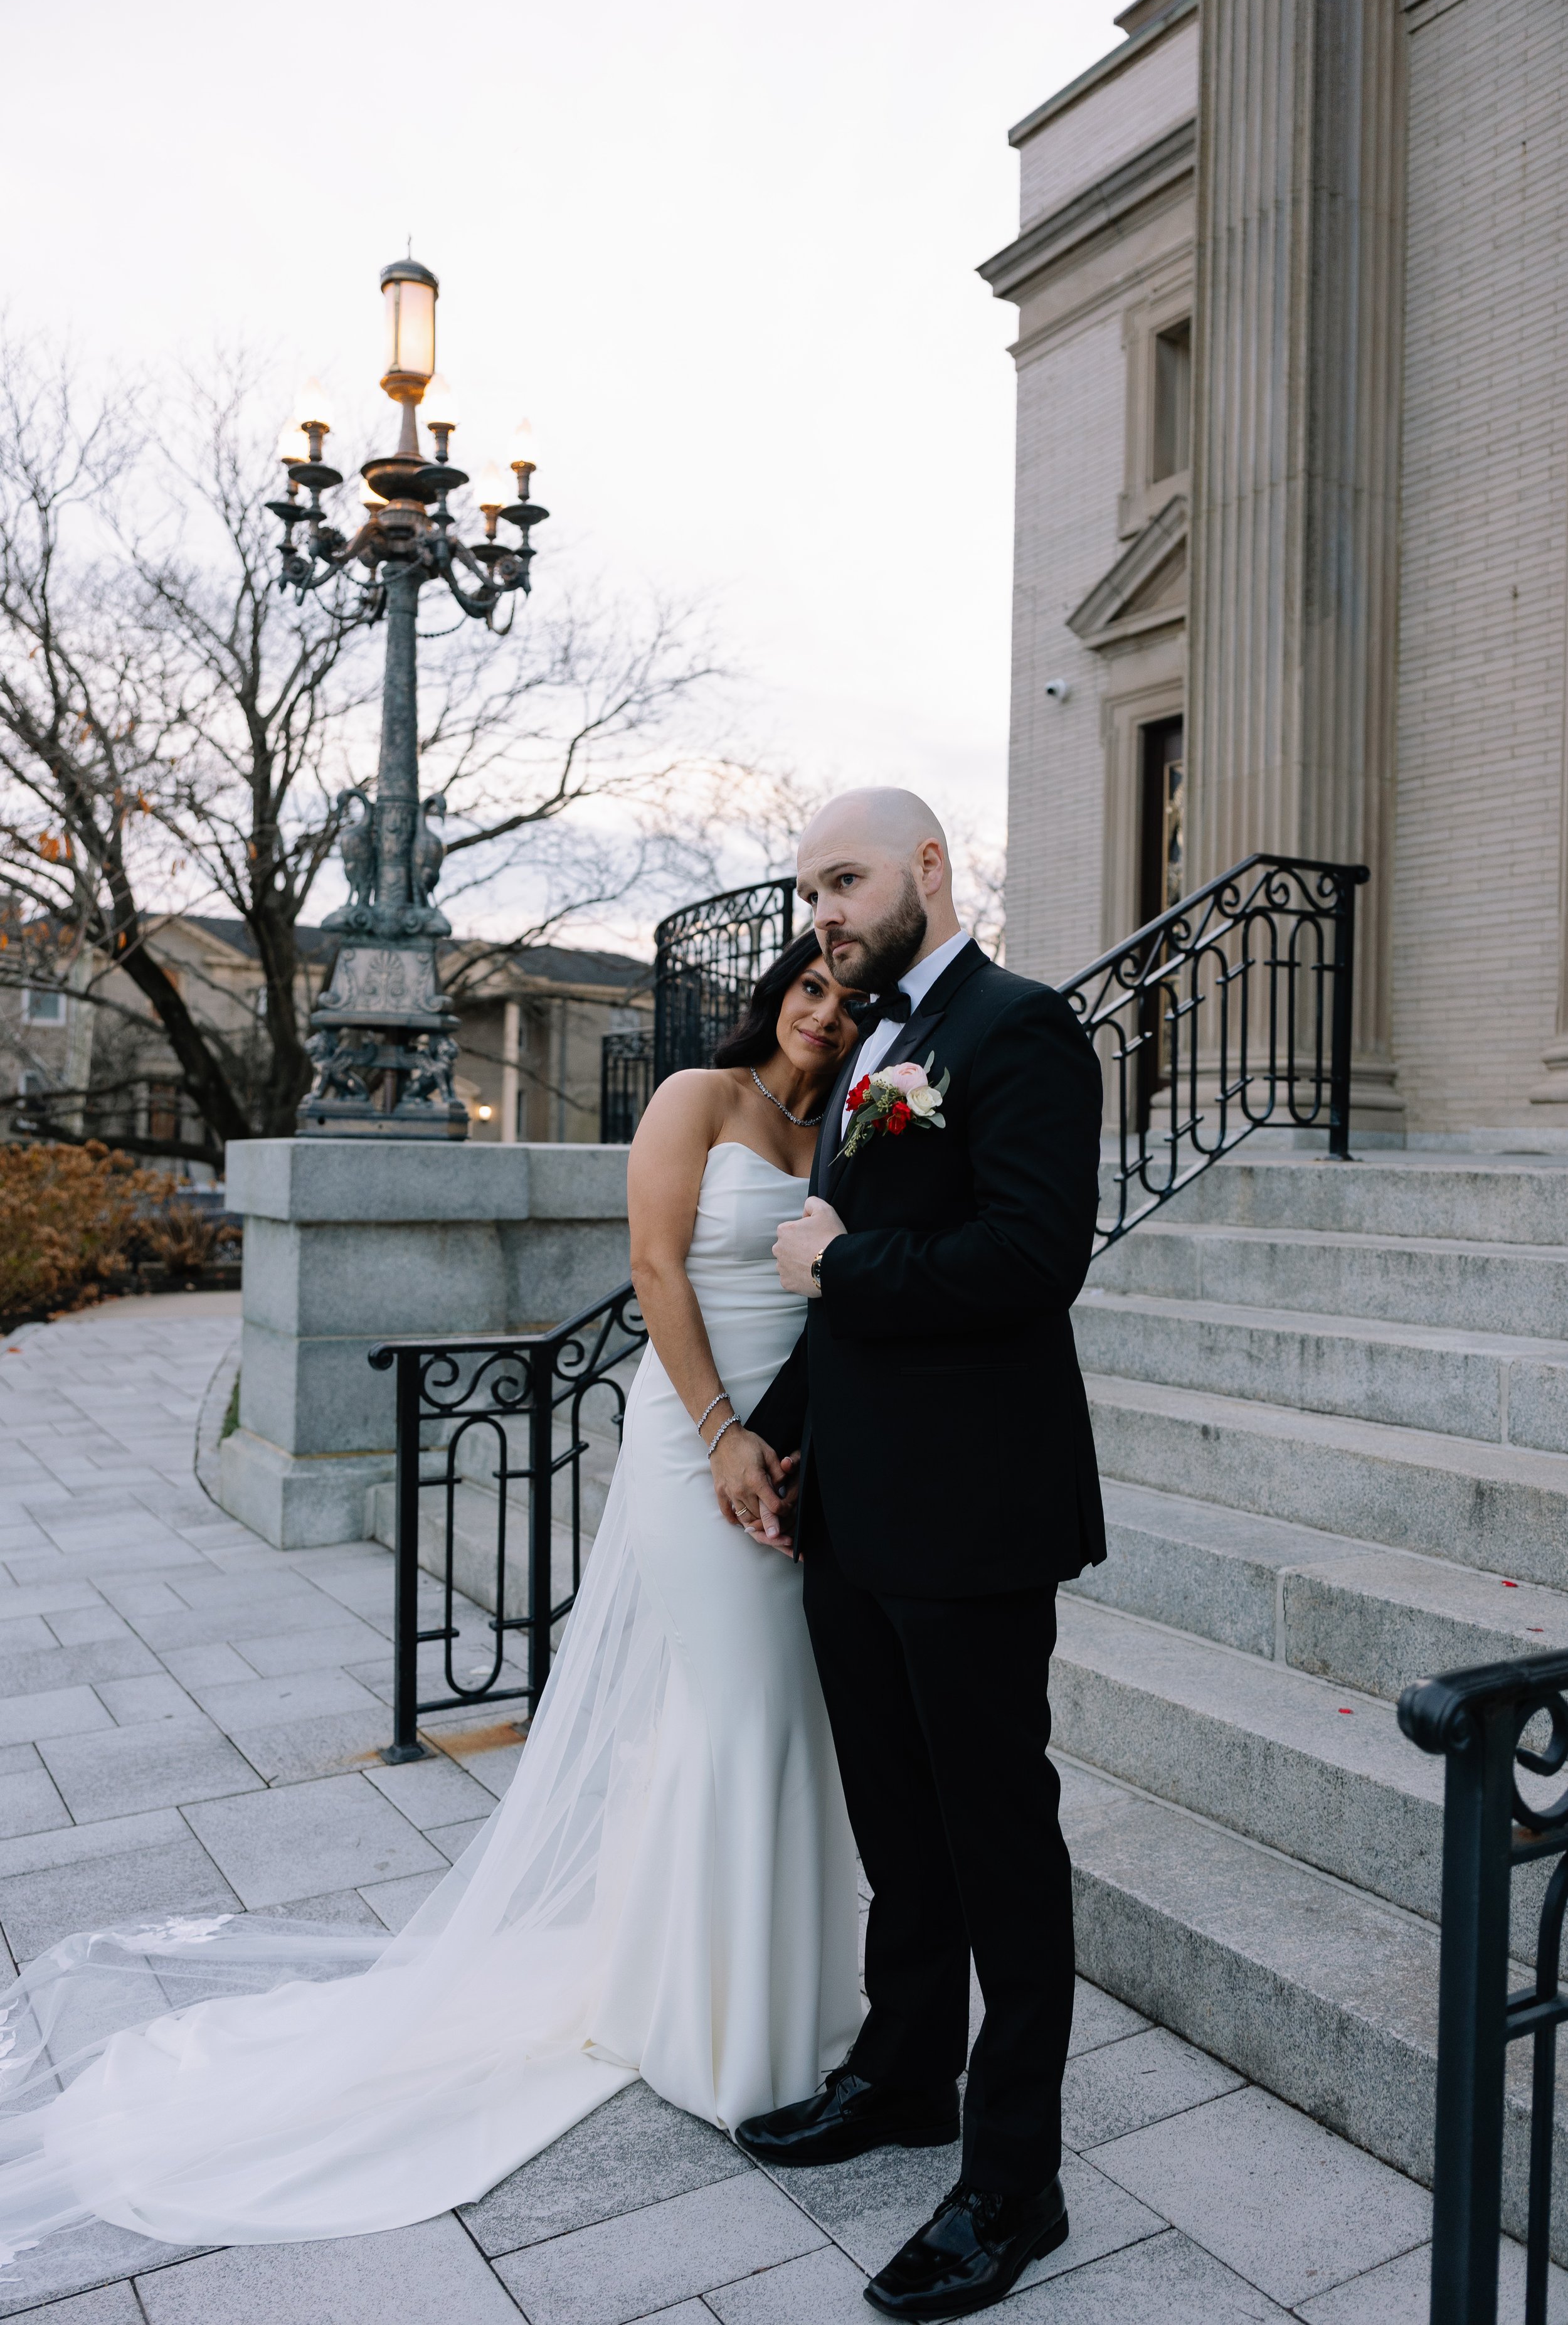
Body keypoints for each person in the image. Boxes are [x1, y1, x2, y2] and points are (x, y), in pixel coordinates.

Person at [0, 933, 866, 2272]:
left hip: (801, 1457)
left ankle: (757, 1993)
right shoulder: (700, 1095)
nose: (824, 1012)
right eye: (808, 987)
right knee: (742, 1710)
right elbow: (652, 1272)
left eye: (848, 998)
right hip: (695, 1445)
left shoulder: (854, 1129)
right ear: (776, 996)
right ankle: (725, 2039)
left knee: (774, 1722)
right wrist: (721, 1434)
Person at [733, 787, 1104, 2323]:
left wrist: (845, 1256)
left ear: (928, 869)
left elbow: (1033, 1255)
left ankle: (1015, 2179)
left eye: (847, 878)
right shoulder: (869, 1048)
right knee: (894, 1822)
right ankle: (901, 2080)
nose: (822, 908)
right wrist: (764, 1428)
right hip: (856, 1509)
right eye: (810, 886)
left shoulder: (1019, 1029)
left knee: (993, 1845)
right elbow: (841, 1297)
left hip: (971, 1522)